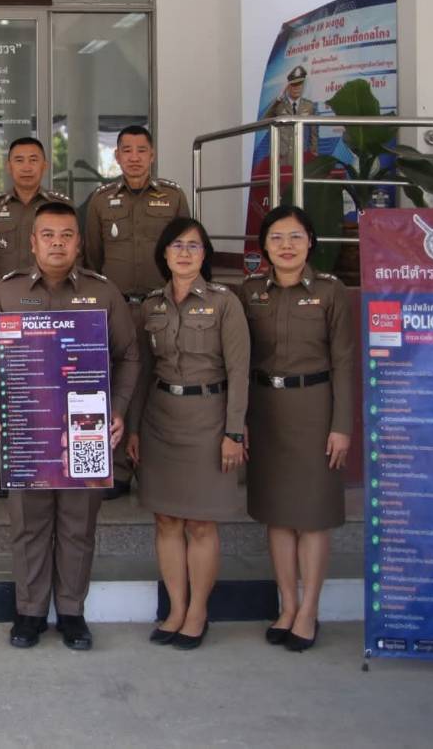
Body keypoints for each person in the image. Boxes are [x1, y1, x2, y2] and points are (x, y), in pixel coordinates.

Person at [0, 201, 141, 650]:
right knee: (29, 523)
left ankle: (71, 612)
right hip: (28, 426)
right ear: (33, 242)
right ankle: (29, 612)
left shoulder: (103, 293)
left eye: (67, 235)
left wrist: (118, 408)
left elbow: (129, 356)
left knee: (78, 525)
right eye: (48, 235)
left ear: (79, 243)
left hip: (86, 425)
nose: (57, 244)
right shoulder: (6, 292)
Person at [127, 216, 249, 651]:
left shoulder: (224, 302)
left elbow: (239, 372)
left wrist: (234, 431)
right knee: (166, 519)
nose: (184, 253)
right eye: (176, 245)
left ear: (205, 254)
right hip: (160, 421)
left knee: (200, 522)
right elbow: (142, 373)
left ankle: (198, 612)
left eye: (193, 246)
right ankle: (176, 609)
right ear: (164, 253)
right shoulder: (151, 306)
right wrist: (135, 427)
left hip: (209, 421)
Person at [241, 205, 354, 653]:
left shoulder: (330, 291)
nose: (286, 246)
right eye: (276, 238)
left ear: (310, 242)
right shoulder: (250, 291)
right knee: (278, 513)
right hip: (266, 410)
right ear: (264, 246)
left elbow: (343, 361)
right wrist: (239, 421)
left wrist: (341, 425)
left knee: (312, 516)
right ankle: (287, 606)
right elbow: (239, 360)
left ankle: (309, 611)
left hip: (315, 410)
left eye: (295, 237)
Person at [82, 125, 190, 498]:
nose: (134, 157)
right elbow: (93, 258)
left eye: (141, 150)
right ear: (116, 156)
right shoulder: (100, 201)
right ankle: (120, 469)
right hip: (118, 308)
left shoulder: (173, 197)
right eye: (126, 150)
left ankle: (155, 466)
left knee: (161, 383)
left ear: (152, 154)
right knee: (119, 385)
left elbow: (186, 249)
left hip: (163, 305)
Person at [0, 136, 71, 498]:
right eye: (19, 160)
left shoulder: (61, 206)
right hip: (9, 314)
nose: (27, 166)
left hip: (53, 311)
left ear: (44, 165)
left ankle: (55, 463)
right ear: (9, 166)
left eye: (34, 159)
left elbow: (78, 257)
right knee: (11, 391)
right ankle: (12, 467)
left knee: (53, 390)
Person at [261, 64, 319, 168]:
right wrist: (278, 100)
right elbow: (265, 121)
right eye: (293, 84)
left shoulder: (309, 106)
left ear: (303, 85)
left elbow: (313, 134)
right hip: (281, 159)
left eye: (300, 84)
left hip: (301, 158)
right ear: (288, 86)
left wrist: (313, 154)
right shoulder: (279, 105)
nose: (297, 88)